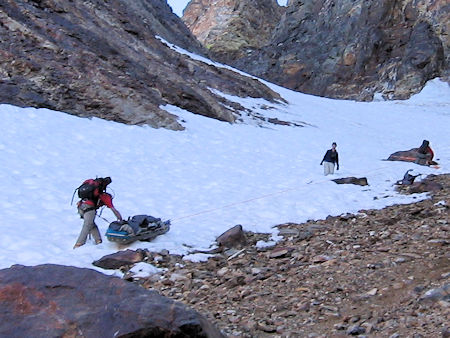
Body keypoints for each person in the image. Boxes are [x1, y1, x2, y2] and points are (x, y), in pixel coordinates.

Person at [74, 177, 122, 249]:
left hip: (80, 206)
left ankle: (98, 240)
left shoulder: (90, 184)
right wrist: (120, 219)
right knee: (87, 225)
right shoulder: (105, 197)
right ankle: (79, 243)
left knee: (91, 223)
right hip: (89, 209)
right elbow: (114, 210)